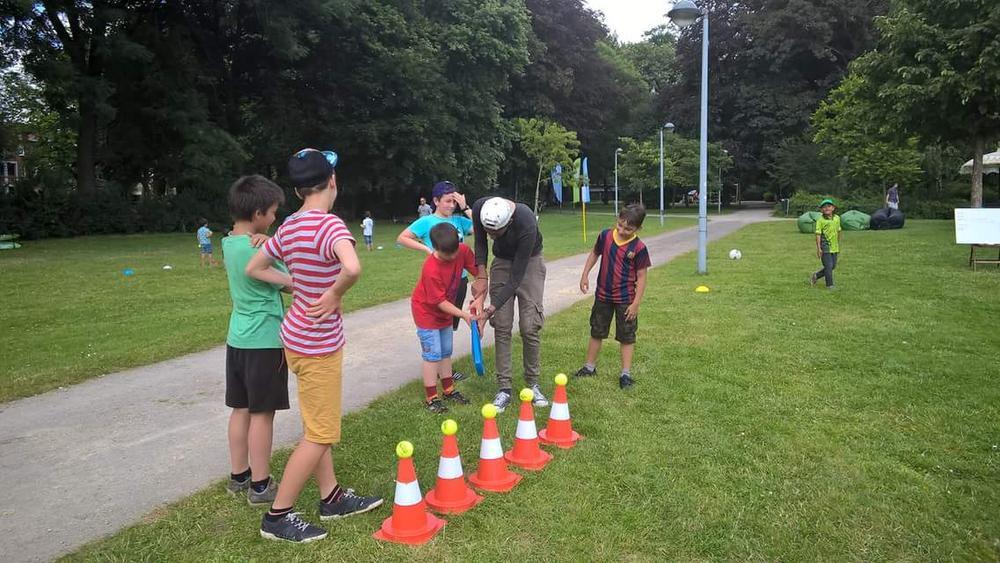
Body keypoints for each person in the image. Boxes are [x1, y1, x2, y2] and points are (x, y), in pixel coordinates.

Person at [247, 148, 382, 543]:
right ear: (333, 182)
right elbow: (353, 267)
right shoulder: (331, 227)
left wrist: (294, 284)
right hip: (320, 346)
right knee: (320, 433)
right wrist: (335, 292)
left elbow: (254, 267)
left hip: (294, 340)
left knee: (315, 421)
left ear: (296, 189)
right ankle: (278, 516)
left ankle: (332, 496)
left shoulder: (288, 226)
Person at [222, 175, 292, 505]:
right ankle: (261, 485)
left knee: (241, 409)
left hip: (237, 340)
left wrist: (265, 240)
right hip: (264, 340)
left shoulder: (228, 243)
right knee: (263, 414)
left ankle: (240, 476)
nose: (275, 218)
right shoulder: (259, 251)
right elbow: (292, 283)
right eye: (274, 212)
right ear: (259, 213)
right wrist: (271, 247)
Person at [470, 196, 548, 413]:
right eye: (489, 231)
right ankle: (504, 389)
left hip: (529, 261)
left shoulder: (526, 222)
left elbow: (516, 279)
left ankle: (533, 384)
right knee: (502, 326)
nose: (492, 236)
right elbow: (480, 242)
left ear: (509, 222)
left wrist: (490, 308)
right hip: (502, 262)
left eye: (496, 232)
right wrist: (482, 276)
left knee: (529, 325)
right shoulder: (480, 208)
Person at [397, 180, 475, 379]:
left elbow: (480, 228)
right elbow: (402, 237)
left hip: (460, 280)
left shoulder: (458, 220)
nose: (451, 205)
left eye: (454, 202)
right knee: (439, 319)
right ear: (436, 201)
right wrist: (426, 249)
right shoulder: (427, 221)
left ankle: (444, 367)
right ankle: (440, 369)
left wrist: (465, 207)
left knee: (450, 325)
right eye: (447, 201)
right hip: (440, 280)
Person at [573, 204, 651, 389]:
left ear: (638, 229)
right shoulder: (605, 236)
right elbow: (594, 253)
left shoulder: (639, 248)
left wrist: (636, 303)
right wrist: (585, 274)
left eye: (628, 229)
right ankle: (589, 367)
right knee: (596, 330)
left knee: (627, 336)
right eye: (620, 225)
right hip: (603, 295)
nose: (622, 231)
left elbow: (641, 277)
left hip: (626, 299)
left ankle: (625, 375)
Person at [411, 224, 477, 413]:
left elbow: (477, 272)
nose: (454, 257)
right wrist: (464, 314)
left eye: (455, 251)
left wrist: (480, 292)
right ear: (436, 248)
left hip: (445, 312)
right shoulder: (431, 268)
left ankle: (449, 390)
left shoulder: (461, 250)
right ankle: (432, 398)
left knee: (446, 351)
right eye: (448, 255)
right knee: (433, 355)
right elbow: (439, 302)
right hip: (427, 313)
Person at [810, 198, 843, 289]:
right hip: (825, 246)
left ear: (833, 208)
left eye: (829, 206)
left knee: (832, 266)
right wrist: (819, 248)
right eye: (824, 207)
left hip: (834, 246)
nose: (826, 208)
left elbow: (839, 230)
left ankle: (816, 275)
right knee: (828, 266)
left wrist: (838, 243)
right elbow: (818, 234)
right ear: (821, 210)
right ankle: (830, 285)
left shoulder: (837, 218)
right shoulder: (820, 220)